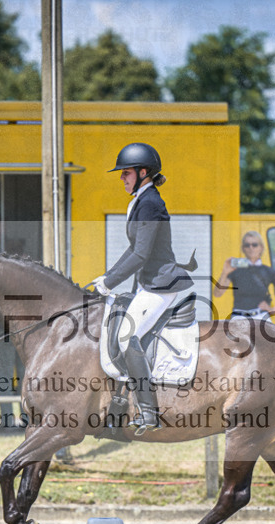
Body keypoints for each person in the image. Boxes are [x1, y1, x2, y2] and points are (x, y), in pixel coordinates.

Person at [89, 142, 193, 433]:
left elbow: (141, 255)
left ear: (142, 172)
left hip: (160, 284)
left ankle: (149, 412)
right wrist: (106, 278)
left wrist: (109, 283)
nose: (121, 177)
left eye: (125, 172)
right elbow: (134, 248)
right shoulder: (141, 200)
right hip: (149, 283)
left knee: (126, 336)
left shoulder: (150, 203)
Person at [214, 231, 275, 321]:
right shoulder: (235, 269)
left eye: (254, 244)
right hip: (239, 317)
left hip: (261, 317)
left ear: (261, 247)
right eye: (247, 245)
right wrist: (225, 272)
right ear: (243, 249)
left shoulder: (268, 271)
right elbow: (217, 294)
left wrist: (273, 310)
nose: (251, 248)